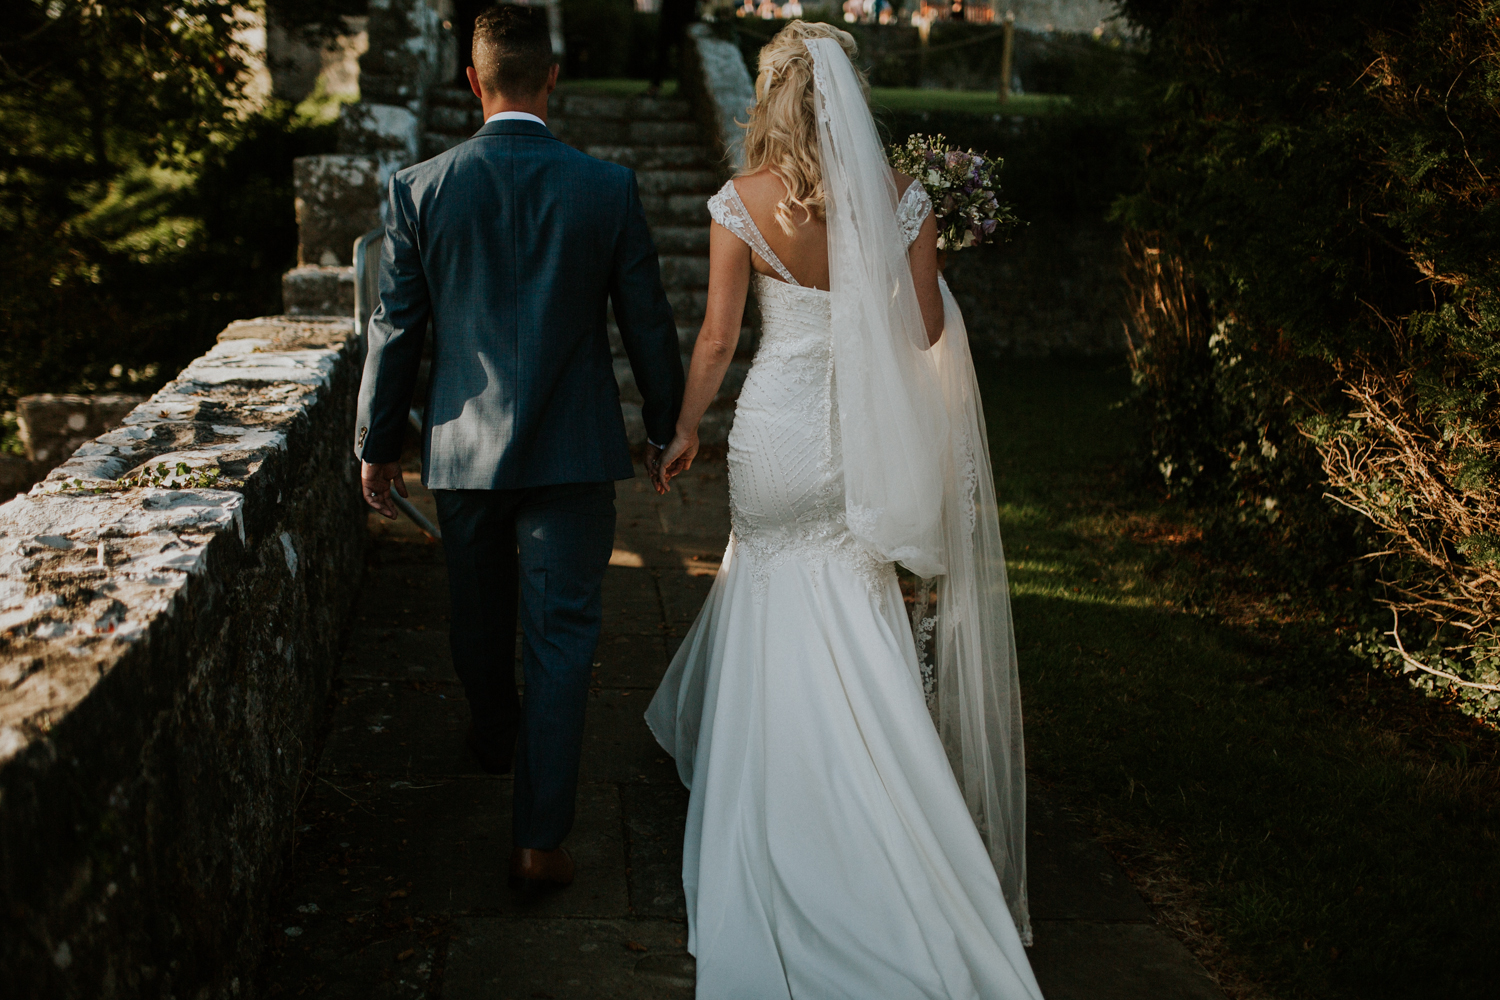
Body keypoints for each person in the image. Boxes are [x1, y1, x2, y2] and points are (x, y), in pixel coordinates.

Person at [645, 20, 1043, 998]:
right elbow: (924, 333)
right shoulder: (902, 202)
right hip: (853, 443)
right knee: (858, 601)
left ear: (769, 100)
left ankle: (778, 802)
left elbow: (715, 339)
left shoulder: (741, 203)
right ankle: (890, 817)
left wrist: (684, 428)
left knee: (767, 587)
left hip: (774, 435)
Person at [355, 4, 683, 893]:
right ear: (552, 78)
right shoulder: (606, 187)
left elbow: (398, 331)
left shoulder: (422, 188)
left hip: (463, 456)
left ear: (473, 80)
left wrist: (377, 447)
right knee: (563, 637)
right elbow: (648, 323)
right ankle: (539, 839)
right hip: (574, 452)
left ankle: (495, 733)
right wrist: (665, 427)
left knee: (477, 617)